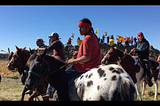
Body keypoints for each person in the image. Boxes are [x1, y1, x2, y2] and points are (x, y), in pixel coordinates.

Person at [57, 18, 102, 100]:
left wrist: (72, 61)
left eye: (81, 27)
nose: (79, 29)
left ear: (88, 28)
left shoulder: (87, 38)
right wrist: (79, 52)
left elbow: (86, 58)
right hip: (95, 65)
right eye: (79, 27)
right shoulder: (93, 37)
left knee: (61, 77)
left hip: (84, 67)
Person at [35, 32, 65, 100]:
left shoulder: (57, 42)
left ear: (55, 37)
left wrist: (37, 49)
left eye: (51, 37)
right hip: (57, 59)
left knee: (49, 75)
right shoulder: (57, 43)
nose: (50, 39)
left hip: (59, 61)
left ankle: (49, 92)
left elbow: (47, 49)